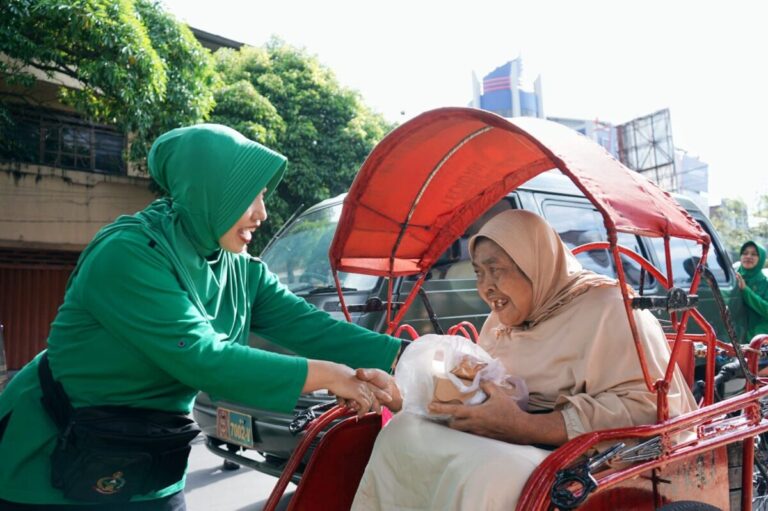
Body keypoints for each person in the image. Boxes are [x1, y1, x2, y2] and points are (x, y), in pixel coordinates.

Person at [0, 124, 400, 510]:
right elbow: (205, 358)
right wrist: (333, 375)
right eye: (249, 196)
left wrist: (411, 356)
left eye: (263, 195)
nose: (262, 213)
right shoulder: (128, 254)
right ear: (207, 192)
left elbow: (311, 326)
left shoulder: (241, 270)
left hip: (148, 456)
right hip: (50, 456)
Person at [352, 209, 696, 511]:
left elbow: (647, 409)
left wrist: (523, 426)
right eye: (478, 272)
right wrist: (413, 398)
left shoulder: (610, 309)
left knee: (484, 474)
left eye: (495, 270)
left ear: (535, 263)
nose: (484, 288)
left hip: (586, 460)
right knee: (402, 433)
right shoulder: (500, 323)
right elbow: (485, 392)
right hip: (511, 442)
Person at [731, 240, 768, 343]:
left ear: (761, 259)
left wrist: (745, 290)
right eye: (745, 253)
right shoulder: (733, 278)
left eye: (754, 254)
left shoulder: (765, 283)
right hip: (732, 339)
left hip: (758, 340)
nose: (748, 256)